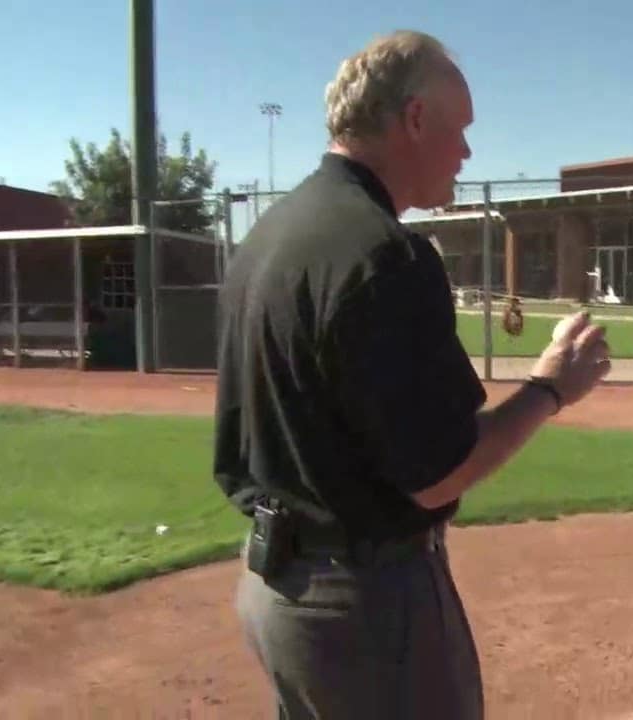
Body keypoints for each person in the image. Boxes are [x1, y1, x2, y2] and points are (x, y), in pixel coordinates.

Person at [212, 30, 611, 719]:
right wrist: (550, 388)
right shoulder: (383, 254)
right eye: (460, 131)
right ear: (416, 118)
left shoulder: (269, 236)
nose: (467, 153)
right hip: (365, 609)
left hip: (277, 591)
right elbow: (437, 474)